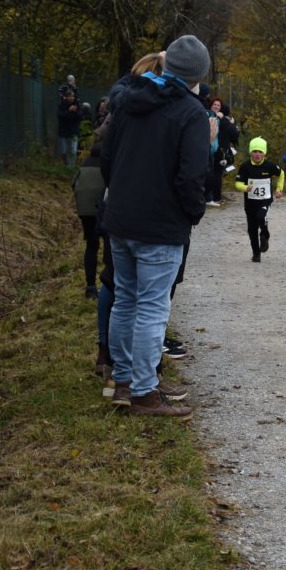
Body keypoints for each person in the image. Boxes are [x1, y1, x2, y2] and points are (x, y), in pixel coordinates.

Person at [101, 34, 211, 418]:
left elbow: (107, 156)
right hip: (161, 225)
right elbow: (192, 175)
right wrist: (193, 212)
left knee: (125, 299)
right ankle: (144, 393)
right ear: (199, 74)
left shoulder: (128, 100)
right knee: (151, 307)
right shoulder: (191, 113)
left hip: (121, 217)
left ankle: (123, 380)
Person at [235, 137, 284, 262]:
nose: (257, 154)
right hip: (250, 202)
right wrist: (244, 187)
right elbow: (237, 183)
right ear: (250, 152)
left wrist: (279, 189)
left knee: (261, 217)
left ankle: (265, 234)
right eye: (255, 151)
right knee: (252, 229)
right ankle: (256, 254)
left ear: (264, 153)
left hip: (265, 200)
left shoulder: (269, 166)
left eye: (260, 151)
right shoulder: (245, 166)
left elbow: (281, 174)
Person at [72, 142, 107, 298]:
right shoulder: (107, 166)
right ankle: (109, 286)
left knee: (91, 246)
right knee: (110, 247)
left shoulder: (84, 166)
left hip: (85, 211)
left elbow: (74, 185)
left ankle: (91, 287)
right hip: (103, 210)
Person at [57, 88, 82, 168]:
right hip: (63, 131)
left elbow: (79, 116)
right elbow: (60, 116)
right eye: (70, 96)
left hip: (74, 131)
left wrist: (74, 112)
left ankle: (71, 167)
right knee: (64, 151)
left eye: (72, 96)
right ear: (66, 97)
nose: (71, 98)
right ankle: (66, 165)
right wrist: (69, 111)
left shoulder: (77, 105)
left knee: (73, 151)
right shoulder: (61, 105)